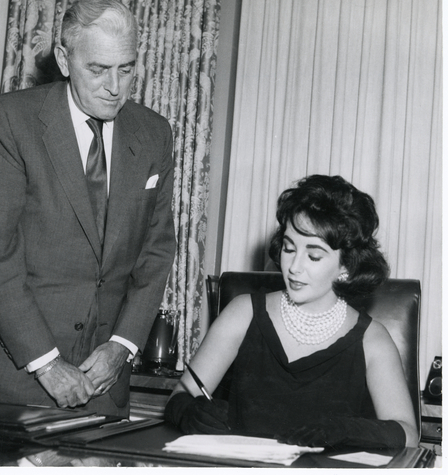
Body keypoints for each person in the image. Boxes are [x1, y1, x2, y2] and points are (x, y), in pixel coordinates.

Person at [0, 0, 176, 417]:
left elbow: (156, 252)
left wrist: (122, 346)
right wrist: (46, 363)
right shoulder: (8, 121)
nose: (115, 87)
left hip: (106, 385)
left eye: (126, 68)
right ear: (63, 59)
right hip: (15, 382)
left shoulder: (154, 134)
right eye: (97, 69)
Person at [165, 175, 419, 449]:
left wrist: (346, 429)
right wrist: (188, 411)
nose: (294, 267)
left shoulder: (372, 340)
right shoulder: (243, 313)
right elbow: (183, 393)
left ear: (346, 266)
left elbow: (408, 435)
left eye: (314, 256)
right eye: (288, 248)